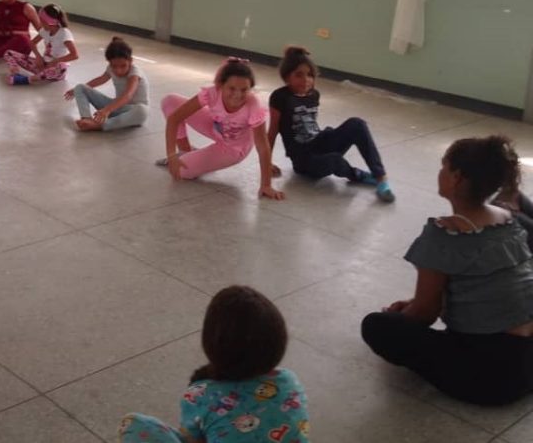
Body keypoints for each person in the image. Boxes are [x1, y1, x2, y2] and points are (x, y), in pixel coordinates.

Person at [361, 135, 533, 406]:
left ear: (456, 178)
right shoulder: (511, 219)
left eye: (444, 166)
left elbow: (424, 314)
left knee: (377, 326)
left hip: (497, 378)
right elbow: (484, 284)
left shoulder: (443, 234)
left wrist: (407, 311)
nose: (439, 172)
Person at [119, 285, 310, 443]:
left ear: (211, 343)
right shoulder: (290, 381)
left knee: (133, 424)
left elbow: (191, 440)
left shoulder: (199, 395)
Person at [268, 46, 394, 203]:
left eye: (309, 75)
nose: (306, 80)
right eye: (299, 75)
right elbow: (272, 131)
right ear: (287, 78)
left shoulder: (314, 94)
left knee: (357, 124)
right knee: (335, 160)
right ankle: (356, 174)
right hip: (304, 158)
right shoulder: (280, 97)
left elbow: (311, 126)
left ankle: (381, 178)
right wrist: (266, 162)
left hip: (320, 141)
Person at [158, 58, 282, 200]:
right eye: (232, 88)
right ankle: (185, 150)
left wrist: (266, 185)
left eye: (244, 90)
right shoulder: (212, 93)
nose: (238, 95)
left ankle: (191, 157)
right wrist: (172, 155)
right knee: (170, 101)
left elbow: (262, 146)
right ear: (220, 86)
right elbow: (175, 118)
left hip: (233, 148)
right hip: (215, 127)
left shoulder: (253, 105)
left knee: (181, 171)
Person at [65, 37, 148, 131]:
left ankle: (99, 125)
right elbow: (100, 79)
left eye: (123, 66)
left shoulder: (134, 73)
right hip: (115, 107)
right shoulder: (110, 68)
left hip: (131, 111)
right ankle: (86, 119)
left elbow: (127, 96)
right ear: (109, 63)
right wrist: (75, 90)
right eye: (114, 66)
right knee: (80, 87)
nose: (118, 70)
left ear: (131, 61)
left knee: (143, 111)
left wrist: (107, 110)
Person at [4, 4, 78, 85]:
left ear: (50, 21)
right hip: (42, 65)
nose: (40, 23)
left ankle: (26, 80)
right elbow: (32, 43)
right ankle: (15, 72)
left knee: (62, 67)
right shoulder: (44, 31)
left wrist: (55, 61)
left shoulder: (64, 34)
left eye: (42, 21)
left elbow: (74, 55)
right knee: (8, 53)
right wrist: (38, 57)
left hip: (56, 70)